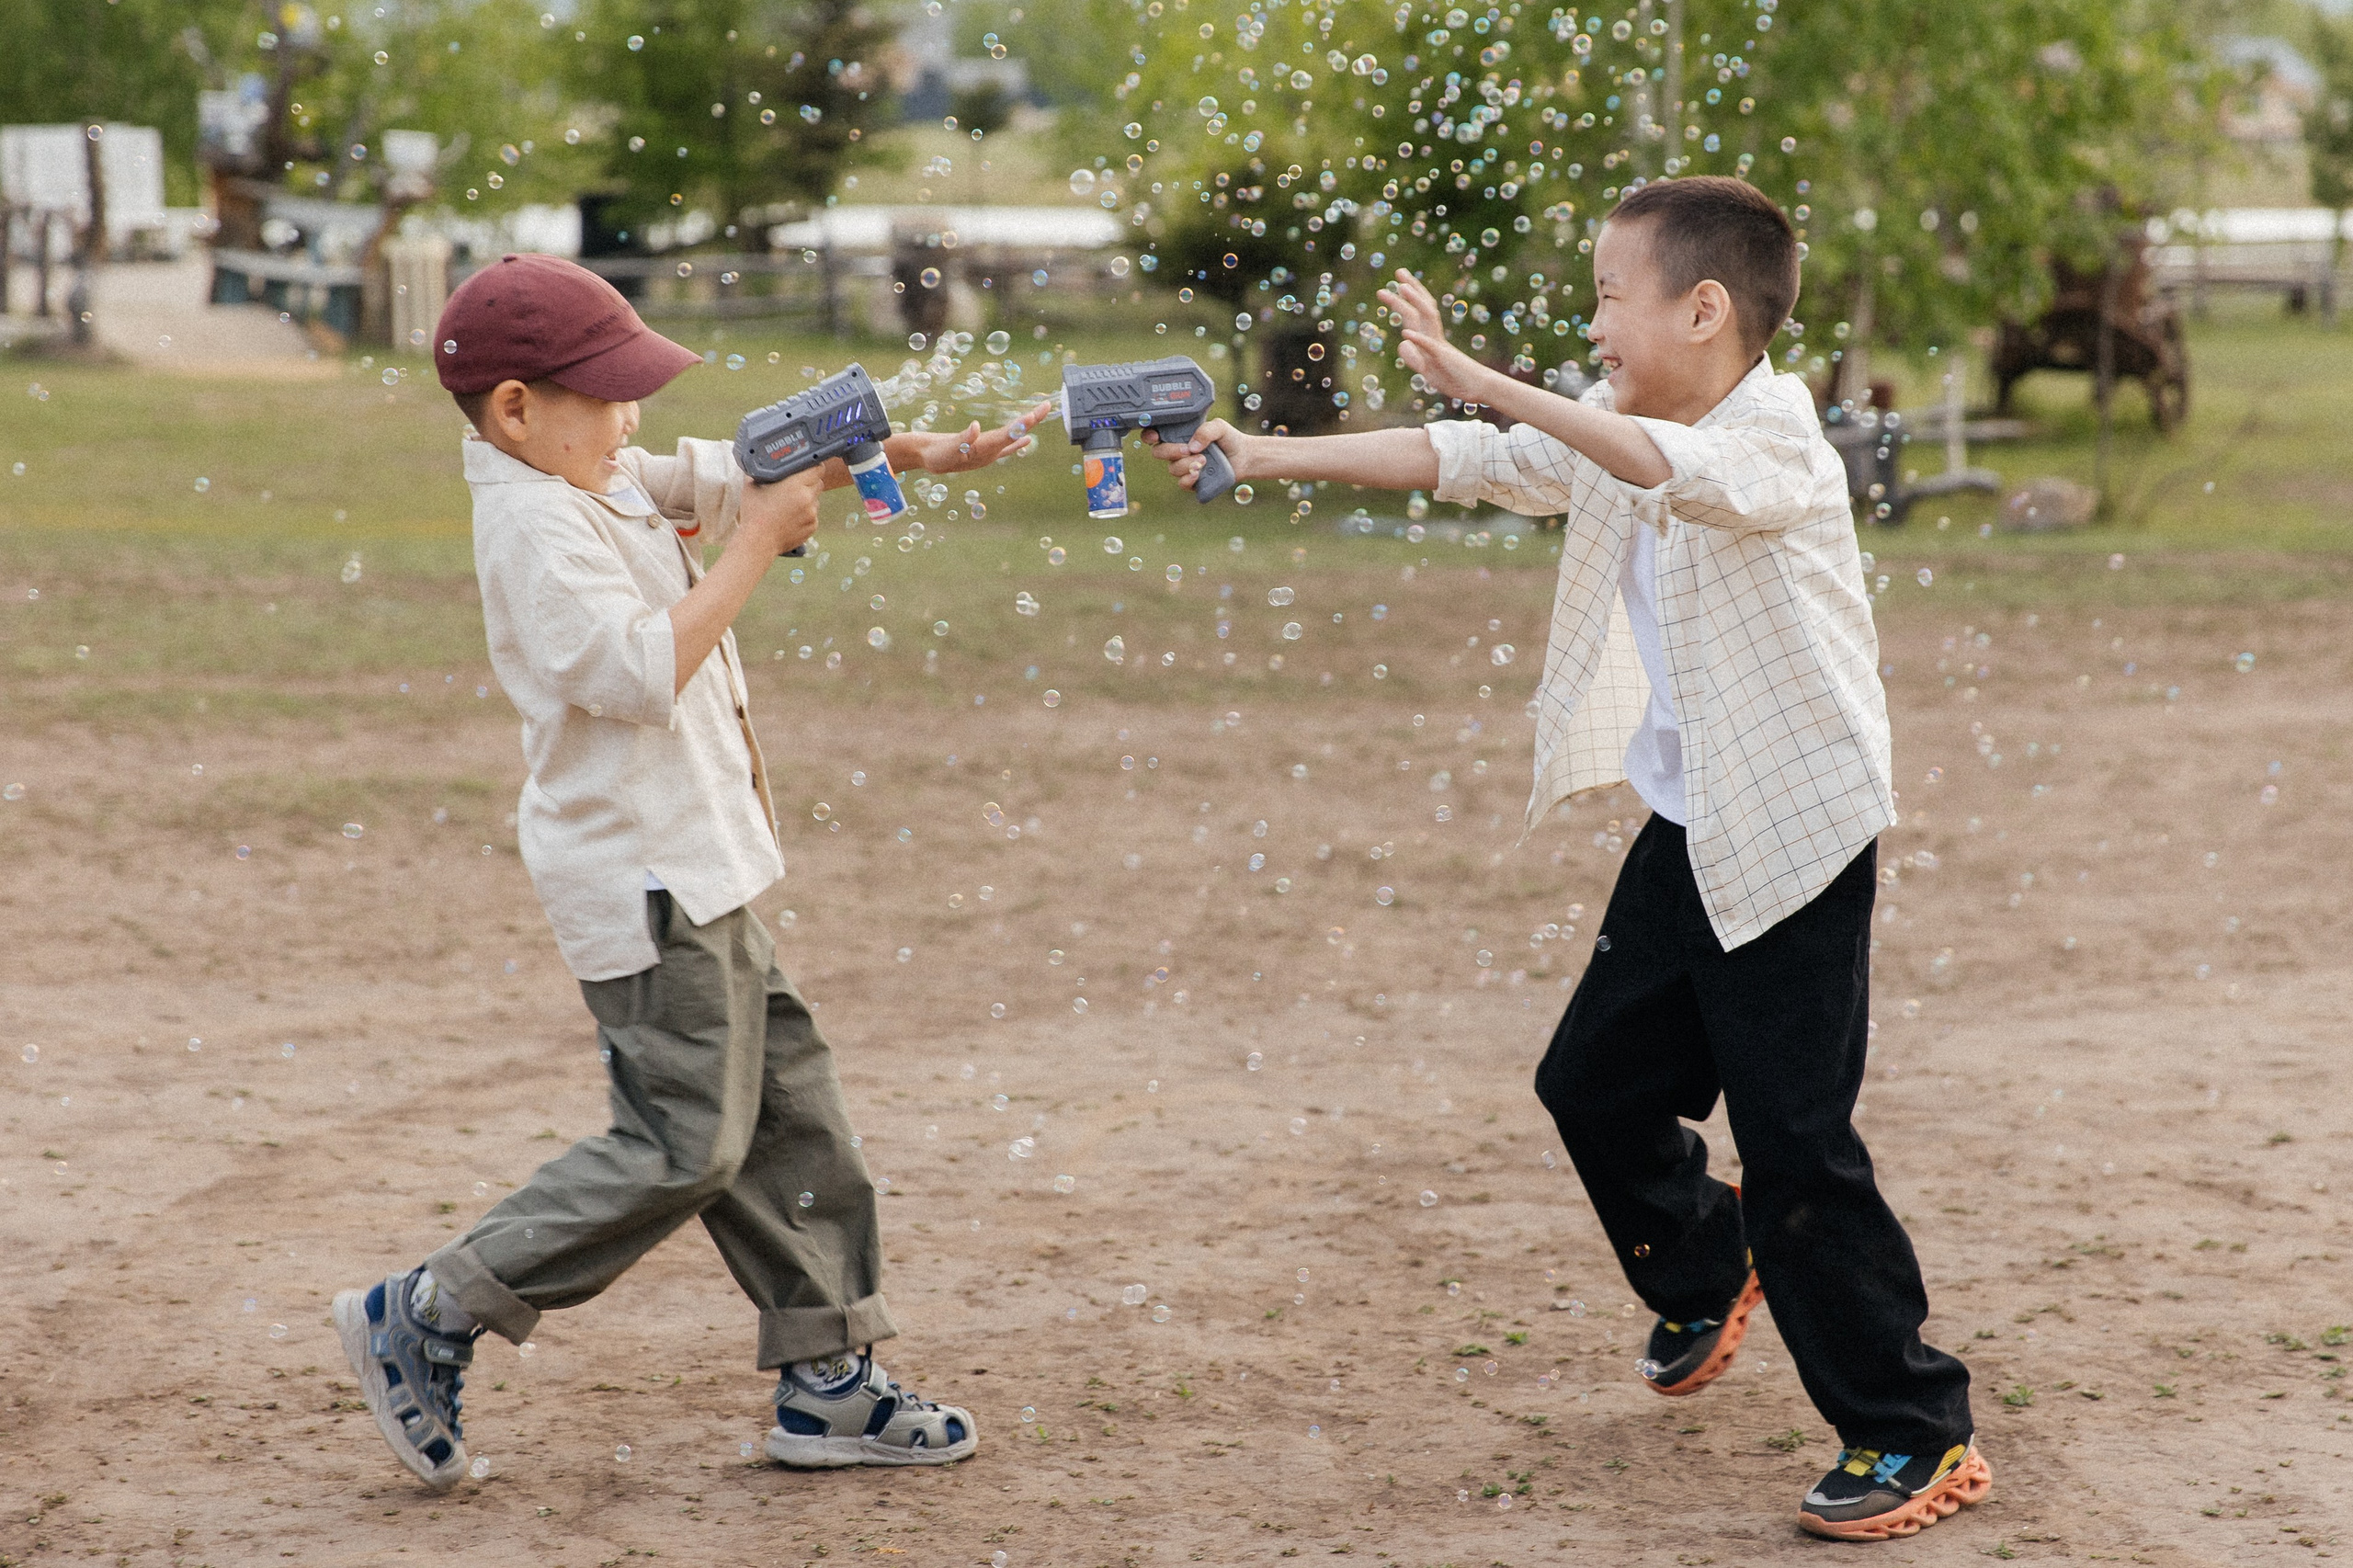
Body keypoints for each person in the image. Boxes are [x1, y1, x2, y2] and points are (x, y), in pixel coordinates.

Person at [1147, 176, 1988, 1542]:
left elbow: (1667, 473)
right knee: (1588, 1082)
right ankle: (1710, 1268)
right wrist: (1269, 456)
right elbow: (1467, 461)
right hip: (1689, 826)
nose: (1594, 322)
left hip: (1793, 837)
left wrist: (1488, 376)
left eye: (1612, 295)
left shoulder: (1771, 439)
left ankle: (1913, 1429)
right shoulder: (1627, 428)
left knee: (1796, 1149)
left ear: (1703, 309)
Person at [334, 253, 1042, 1491]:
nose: (633, 420)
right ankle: (433, 1305)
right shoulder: (535, 525)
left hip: (701, 866)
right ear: (515, 408)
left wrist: (920, 451)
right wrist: (759, 546)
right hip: (641, 886)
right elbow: (640, 669)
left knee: (792, 1112)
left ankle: (828, 1384)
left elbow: (729, 472)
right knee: (683, 1144)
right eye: (606, 397)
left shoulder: (588, 472)